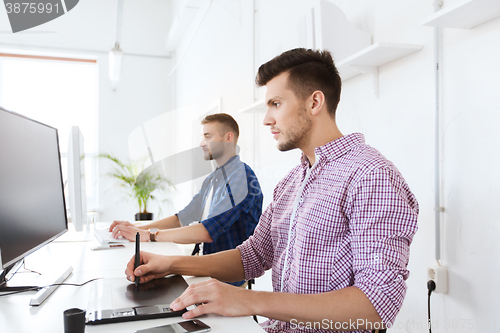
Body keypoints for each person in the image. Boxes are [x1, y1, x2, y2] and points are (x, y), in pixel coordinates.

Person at [124, 48, 419, 332]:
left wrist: (249, 301)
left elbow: (377, 305)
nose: (266, 119)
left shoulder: (371, 175)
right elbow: (253, 256)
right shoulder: (293, 181)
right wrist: (172, 264)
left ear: (315, 102)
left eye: (275, 104)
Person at [112, 113, 263, 286]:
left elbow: (206, 232)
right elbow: (183, 217)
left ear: (228, 138)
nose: (201, 143)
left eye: (208, 136)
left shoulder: (240, 178)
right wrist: (138, 228)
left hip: (228, 281)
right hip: (206, 271)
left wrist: (149, 235)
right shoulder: (213, 178)